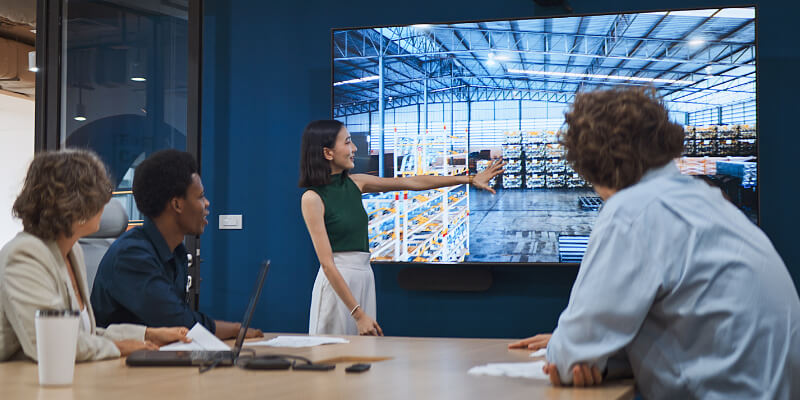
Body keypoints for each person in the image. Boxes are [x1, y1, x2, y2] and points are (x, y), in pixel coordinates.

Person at [510, 87, 800, 399]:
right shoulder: (705, 199)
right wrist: (592, 354)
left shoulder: (632, 211)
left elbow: (568, 361)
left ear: (588, 161)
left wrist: (569, 347)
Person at [299, 120, 504, 336]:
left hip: (364, 277)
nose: (355, 149)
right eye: (348, 142)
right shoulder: (312, 198)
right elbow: (327, 264)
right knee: (330, 358)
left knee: (360, 359)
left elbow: (413, 183)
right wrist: (358, 314)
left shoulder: (356, 183)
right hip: (337, 285)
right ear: (328, 153)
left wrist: (470, 179)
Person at [0, 149, 190, 362]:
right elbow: (52, 344)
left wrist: (146, 334)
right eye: (100, 193)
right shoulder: (23, 256)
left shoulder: (73, 251)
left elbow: (84, 336)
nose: (105, 202)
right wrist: (118, 347)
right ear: (72, 203)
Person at [91, 149, 262, 340]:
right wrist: (237, 330)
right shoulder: (131, 255)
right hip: (117, 364)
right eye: (200, 197)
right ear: (177, 204)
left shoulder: (176, 252)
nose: (206, 204)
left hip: (153, 358)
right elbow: (178, 322)